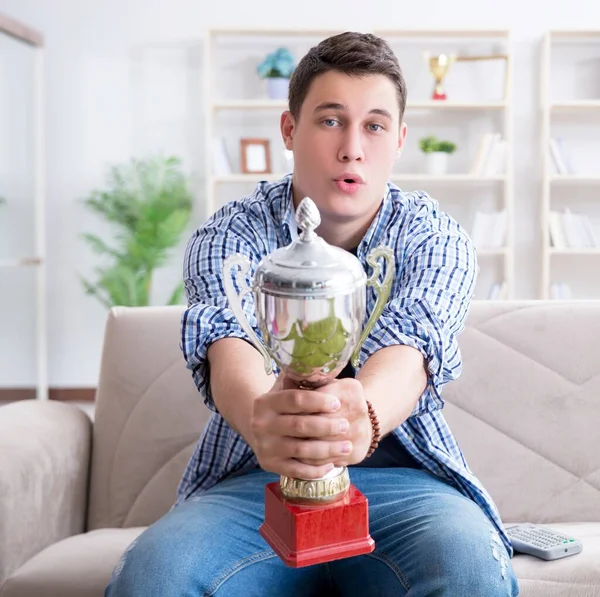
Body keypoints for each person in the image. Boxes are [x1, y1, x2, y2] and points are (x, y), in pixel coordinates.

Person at [105, 31, 519, 596]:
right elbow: (230, 342)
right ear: (289, 130)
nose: (352, 148)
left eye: (374, 126)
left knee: (470, 573)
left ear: (398, 140)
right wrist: (263, 421)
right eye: (330, 120)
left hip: (406, 488)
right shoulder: (230, 235)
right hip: (255, 481)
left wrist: (362, 416)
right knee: (153, 578)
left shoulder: (434, 237)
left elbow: (414, 345)